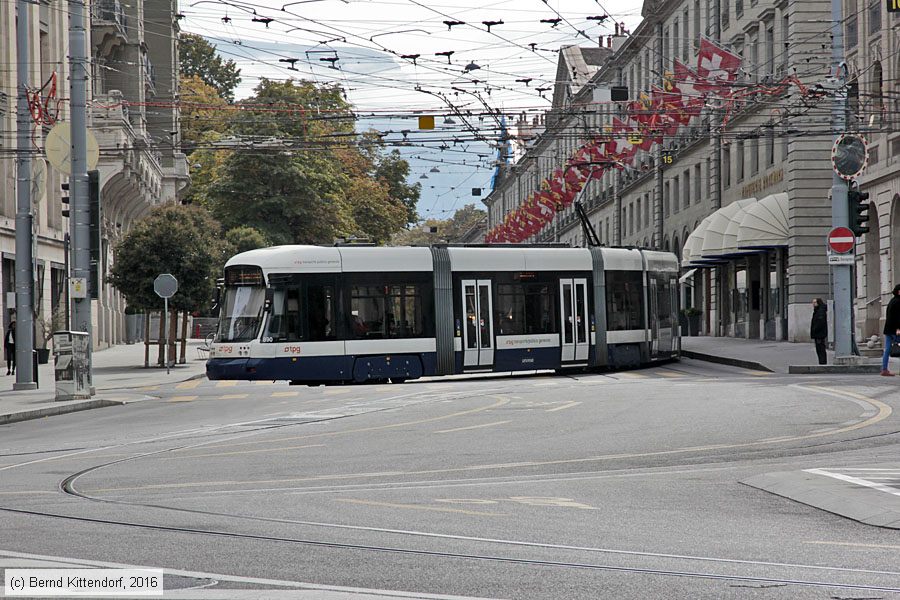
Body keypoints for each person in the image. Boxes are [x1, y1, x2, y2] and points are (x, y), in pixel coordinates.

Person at [881, 284, 900, 376]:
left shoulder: (892, 301)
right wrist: (898, 328)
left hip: (888, 328)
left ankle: (884, 369)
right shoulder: (898, 302)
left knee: (887, 349)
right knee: (897, 347)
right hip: (895, 329)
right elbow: (897, 317)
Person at [810, 299, 828, 365]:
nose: (813, 304)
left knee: (820, 349)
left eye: (815, 302)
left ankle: (822, 362)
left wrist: (815, 329)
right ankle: (822, 362)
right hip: (819, 333)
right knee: (819, 349)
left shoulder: (820, 311)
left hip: (819, 334)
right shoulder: (818, 310)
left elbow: (820, 322)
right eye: (813, 302)